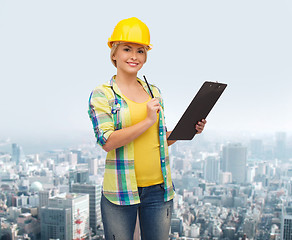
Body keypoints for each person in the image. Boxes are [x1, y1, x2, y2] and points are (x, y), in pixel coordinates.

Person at [88, 17, 207, 240]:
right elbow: (107, 142)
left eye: (141, 51)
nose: (134, 56)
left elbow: (159, 139)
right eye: (127, 49)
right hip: (120, 192)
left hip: (159, 190)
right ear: (113, 53)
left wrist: (189, 129)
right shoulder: (103, 94)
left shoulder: (154, 92)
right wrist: (146, 121)